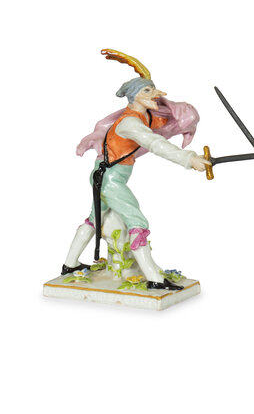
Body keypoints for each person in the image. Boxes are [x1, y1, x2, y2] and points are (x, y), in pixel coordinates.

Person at [62, 49, 210, 290]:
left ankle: (69, 265)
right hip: (110, 179)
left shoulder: (143, 118)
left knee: (94, 220)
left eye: (154, 90)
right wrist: (189, 159)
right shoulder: (130, 123)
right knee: (137, 221)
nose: (157, 94)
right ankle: (154, 278)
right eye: (147, 91)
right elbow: (155, 143)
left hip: (105, 176)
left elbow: (158, 133)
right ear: (134, 97)